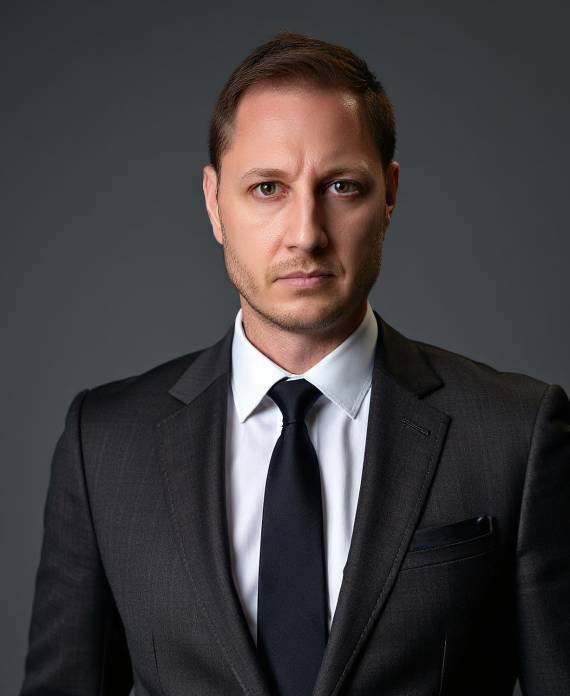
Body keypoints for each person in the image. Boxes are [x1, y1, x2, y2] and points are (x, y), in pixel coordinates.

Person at [19, 30, 569, 696]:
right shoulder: (104, 444)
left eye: (341, 186)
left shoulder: (515, 434)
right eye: (267, 188)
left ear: (389, 196)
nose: (306, 234)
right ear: (214, 202)